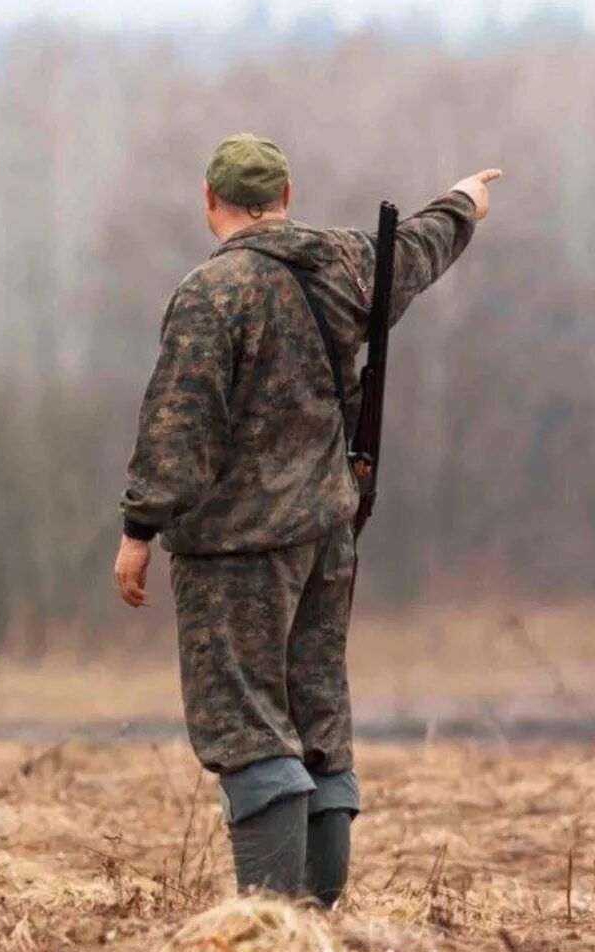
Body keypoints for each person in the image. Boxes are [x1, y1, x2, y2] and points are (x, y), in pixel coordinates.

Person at [113, 133, 501, 906]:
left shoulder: (209, 294)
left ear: (209, 202)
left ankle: (272, 926)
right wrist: (465, 201)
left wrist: (138, 530)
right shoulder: (353, 264)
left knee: (249, 725)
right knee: (318, 719)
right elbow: (421, 247)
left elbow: (177, 424)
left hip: (236, 548)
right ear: (286, 197)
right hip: (330, 534)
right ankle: (322, 922)